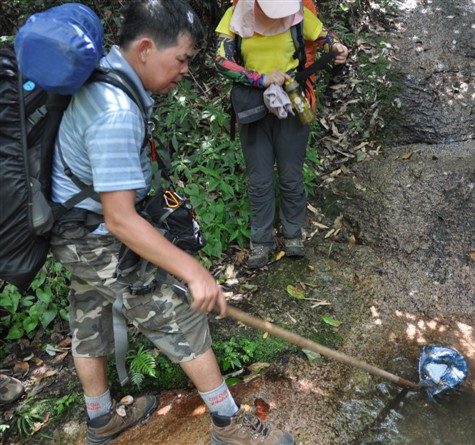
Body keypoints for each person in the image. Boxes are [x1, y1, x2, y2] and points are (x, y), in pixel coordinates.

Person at [49, 1, 293, 444]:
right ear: (145, 47)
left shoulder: (108, 74)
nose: (185, 69)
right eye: (180, 58)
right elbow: (120, 220)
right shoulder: (116, 111)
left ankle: (101, 420)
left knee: (91, 314)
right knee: (180, 313)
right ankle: (229, 424)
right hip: (98, 238)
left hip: (73, 235)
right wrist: (193, 271)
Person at [214, 0, 349, 268]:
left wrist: (337, 47)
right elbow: (221, 60)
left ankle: (292, 236)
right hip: (253, 106)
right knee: (260, 179)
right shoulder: (235, 14)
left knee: (290, 175)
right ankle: (261, 243)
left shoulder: (298, 12)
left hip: (293, 101)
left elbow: (325, 37)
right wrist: (258, 78)